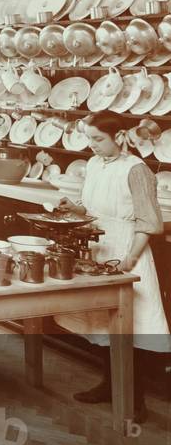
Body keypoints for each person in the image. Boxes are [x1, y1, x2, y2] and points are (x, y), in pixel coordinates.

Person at [55, 111, 169, 419]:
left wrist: (129, 261)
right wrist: (74, 208)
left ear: (119, 137)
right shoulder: (93, 164)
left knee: (130, 327)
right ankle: (108, 386)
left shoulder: (137, 170)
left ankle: (135, 402)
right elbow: (93, 209)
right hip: (100, 250)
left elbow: (148, 223)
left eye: (98, 139)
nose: (91, 145)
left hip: (127, 250)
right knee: (103, 325)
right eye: (89, 138)